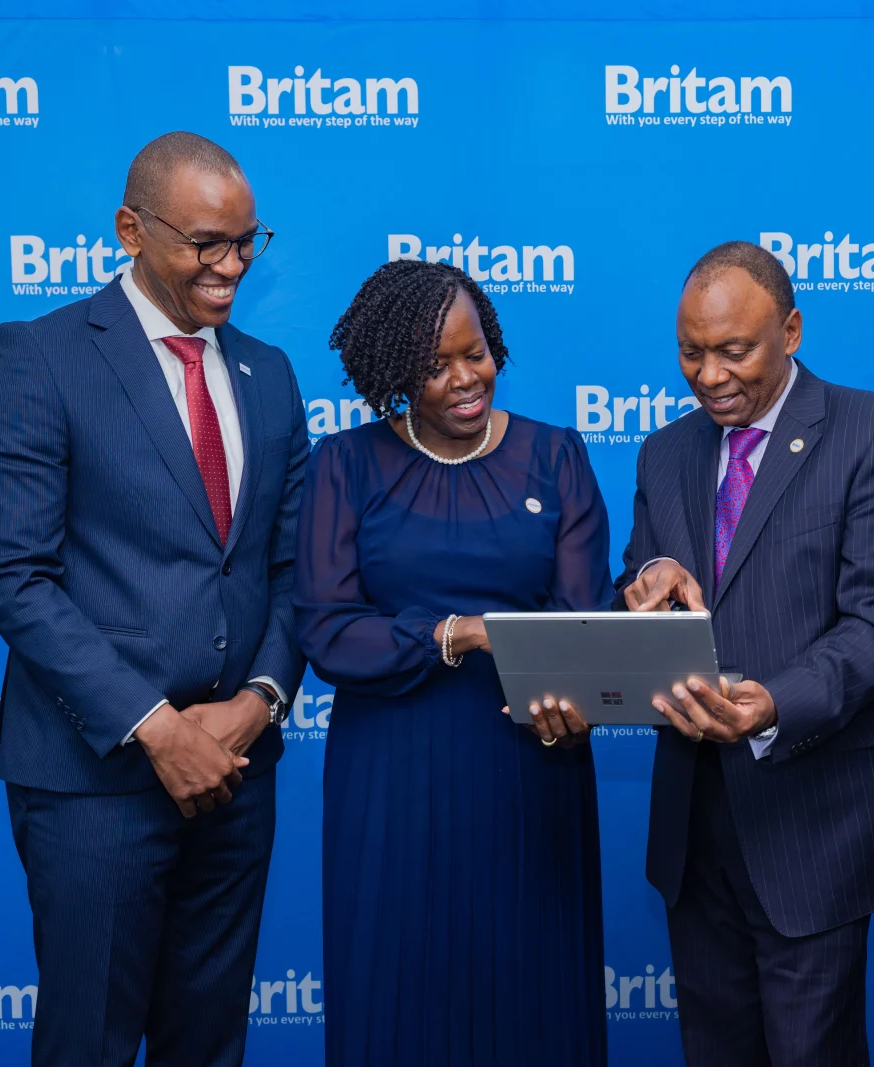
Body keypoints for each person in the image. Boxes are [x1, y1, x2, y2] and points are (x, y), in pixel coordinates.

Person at [0, 132, 308, 1066]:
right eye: (207, 243)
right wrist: (159, 729)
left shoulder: (269, 374)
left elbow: (290, 571)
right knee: (91, 1046)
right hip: (97, 784)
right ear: (131, 229)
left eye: (248, 241)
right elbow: (14, 575)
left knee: (209, 1047)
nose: (232, 266)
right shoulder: (42, 357)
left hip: (236, 777)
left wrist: (259, 702)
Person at [617, 241, 874, 1066]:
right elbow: (644, 572)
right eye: (692, 351)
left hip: (815, 818)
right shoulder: (665, 451)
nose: (711, 374)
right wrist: (647, 577)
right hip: (695, 826)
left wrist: (774, 702)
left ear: (790, 330)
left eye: (735, 350)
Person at [294, 258, 612, 1067]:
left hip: (527, 768)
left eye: (476, 353)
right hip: (390, 778)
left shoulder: (556, 457)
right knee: (397, 991)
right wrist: (459, 633)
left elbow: (583, 622)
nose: (465, 379)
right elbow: (329, 630)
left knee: (529, 998)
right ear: (393, 374)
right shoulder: (345, 464)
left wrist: (579, 691)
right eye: (434, 367)